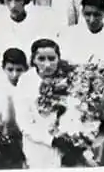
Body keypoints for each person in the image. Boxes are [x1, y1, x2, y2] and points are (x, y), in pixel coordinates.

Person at [13, 38, 66, 168]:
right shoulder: (25, 81)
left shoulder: (67, 78)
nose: (47, 65)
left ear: (58, 58)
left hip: (67, 146)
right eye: (41, 59)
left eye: (52, 58)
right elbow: (24, 122)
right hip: (38, 147)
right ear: (33, 60)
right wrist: (51, 140)